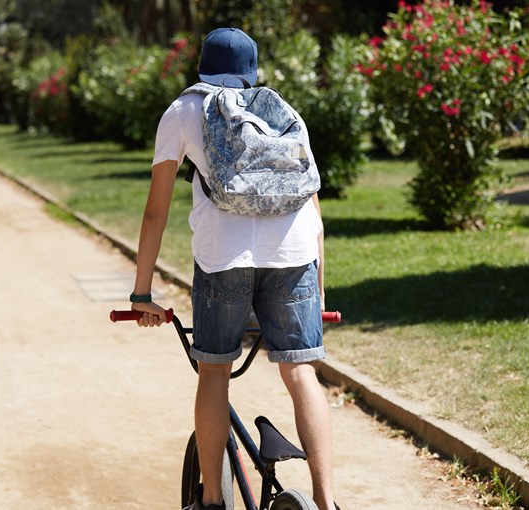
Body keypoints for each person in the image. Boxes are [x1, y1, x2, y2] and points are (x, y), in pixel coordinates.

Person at [130, 27, 337, 510]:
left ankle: (211, 502)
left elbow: (154, 211)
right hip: (295, 258)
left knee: (214, 373)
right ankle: (328, 503)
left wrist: (142, 295)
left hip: (224, 260)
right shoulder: (283, 113)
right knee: (302, 373)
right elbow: (314, 212)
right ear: (253, 71)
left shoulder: (184, 110)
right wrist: (319, 296)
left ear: (202, 67)